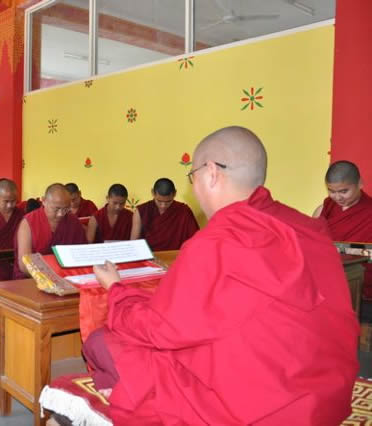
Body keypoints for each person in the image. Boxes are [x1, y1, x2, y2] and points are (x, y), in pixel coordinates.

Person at [82, 126, 358, 425]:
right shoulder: (312, 228)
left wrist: (117, 290)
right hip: (328, 401)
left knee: (100, 342)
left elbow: (159, 330)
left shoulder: (218, 242)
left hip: (255, 412)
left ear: (211, 172)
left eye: (193, 177)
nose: (195, 187)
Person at [313, 160, 372, 298]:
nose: (338, 197)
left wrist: (335, 248)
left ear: (360, 184)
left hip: (359, 287)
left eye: (344, 191)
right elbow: (313, 244)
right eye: (331, 191)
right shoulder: (324, 208)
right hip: (326, 284)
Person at [14, 183, 87, 279]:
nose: (61, 214)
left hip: (67, 278)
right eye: (56, 209)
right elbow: (24, 264)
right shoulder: (29, 222)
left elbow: (81, 255)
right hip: (33, 279)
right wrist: (49, 279)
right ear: (44, 201)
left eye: (66, 209)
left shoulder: (73, 221)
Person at [131, 177, 199, 250]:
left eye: (168, 202)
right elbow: (134, 243)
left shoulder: (184, 211)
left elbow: (195, 240)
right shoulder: (141, 211)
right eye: (159, 201)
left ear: (175, 194)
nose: (163, 206)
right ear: (153, 193)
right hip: (149, 258)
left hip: (175, 257)